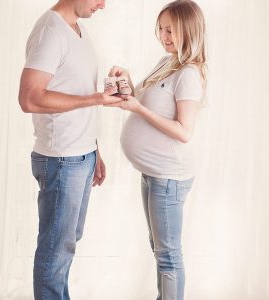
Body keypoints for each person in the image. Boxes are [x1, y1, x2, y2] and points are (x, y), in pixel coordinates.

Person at [18, 0, 121, 299]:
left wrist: (94, 150)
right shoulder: (50, 31)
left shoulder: (77, 29)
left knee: (65, 244)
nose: (103, 5)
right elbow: (29, 98)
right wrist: (97, 99)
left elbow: (76, 91)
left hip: (80, 155)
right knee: (55, 250)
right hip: (61, 158)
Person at [106, 1, 206, 299]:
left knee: (168, 256)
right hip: (152, 174)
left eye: (171, 30)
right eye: (161, 29)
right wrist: (126, 80)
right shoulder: (168, 61)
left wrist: (138, 108)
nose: (164, 36)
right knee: (159, 247)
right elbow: (143, 99)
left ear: (189, 30)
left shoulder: (189, 73)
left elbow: (184, 132)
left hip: (169, 178)